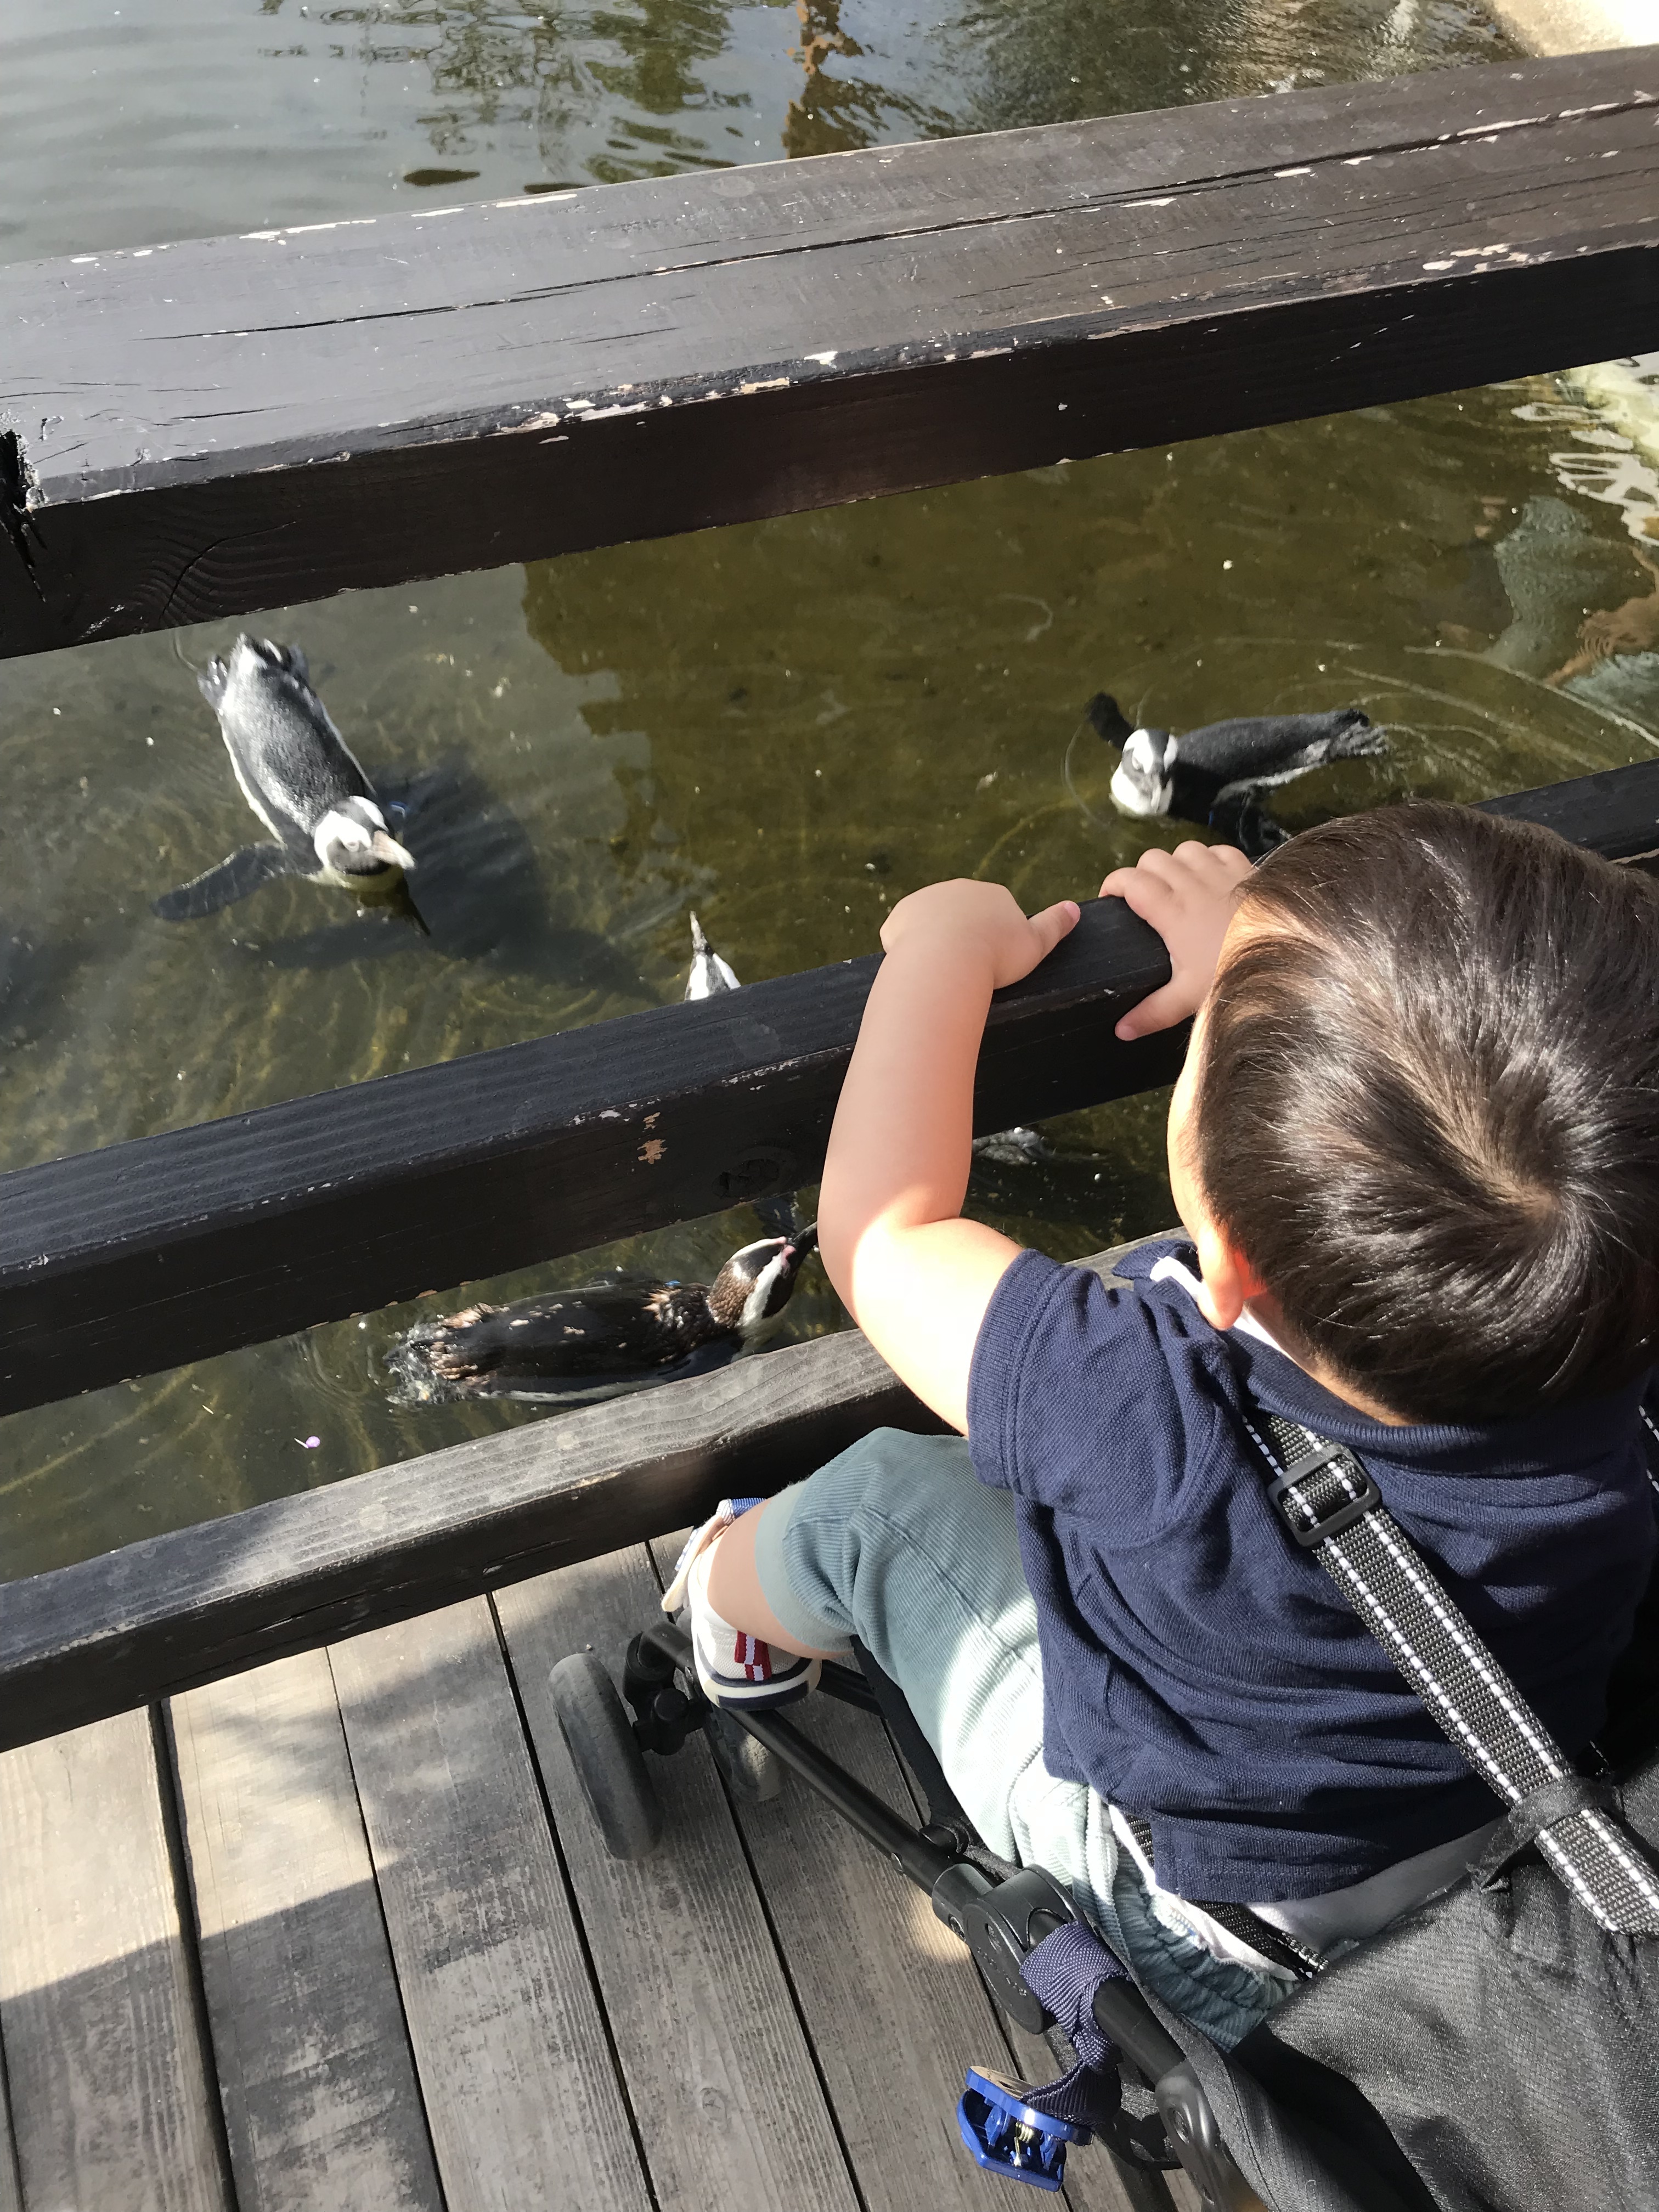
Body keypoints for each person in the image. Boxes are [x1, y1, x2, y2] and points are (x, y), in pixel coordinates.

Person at [661, 803, 1659, 2041]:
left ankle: (722, 1615)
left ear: (1227, 1260)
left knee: (872, 1502)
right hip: (1517, 1840)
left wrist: (939, 955)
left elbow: (885, 1234)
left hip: (1209, 1936)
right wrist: (1263, 949)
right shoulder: (1614, 1341)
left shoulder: (1143, 1401)